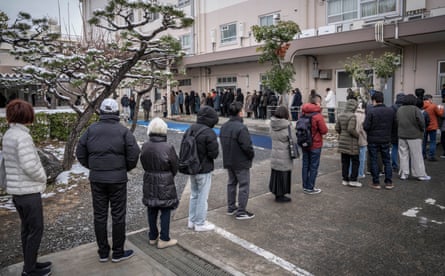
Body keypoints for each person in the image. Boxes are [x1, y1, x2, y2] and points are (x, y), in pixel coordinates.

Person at [76, 98, 141, 263]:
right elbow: (134, 153)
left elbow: (80, 151)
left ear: (102, 112)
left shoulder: (91, 130)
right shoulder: (123, 131)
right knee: (118, 215)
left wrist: (92, 166)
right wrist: (124, 168)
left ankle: (103, 252)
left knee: (100, 215)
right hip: (117, 179)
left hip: (97, 178)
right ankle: (118, 252)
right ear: (116, 112)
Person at [3, 100, 52, 276]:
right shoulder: (22, 136)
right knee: (36, 229)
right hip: (28, 191)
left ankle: (30, 263)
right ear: (26, 115)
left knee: (27, 229)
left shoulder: (9, 134)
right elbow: (29, 165)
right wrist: (42, 176)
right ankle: (29, 269)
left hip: (18, 192)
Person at [140, 118, 179, 249]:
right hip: (165, 181)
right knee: (165, 209)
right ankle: (164, 238)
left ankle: (152, 236)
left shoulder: (145, 146)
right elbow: (175, 165)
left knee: (151, 209)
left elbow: (143, 163)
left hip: (149, 179)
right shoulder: (168, 147)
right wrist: (169, 175)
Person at [220, 101, 255, 220]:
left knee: (231, 183)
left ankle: (231, 207)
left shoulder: (224, 126)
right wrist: (251, 156)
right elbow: (247, 147)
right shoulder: (241, 128)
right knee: (244, 185)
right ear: (240, 113)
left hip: (229, 160)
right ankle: (241, 211)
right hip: (241, 161)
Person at [186, 106, 219, 231]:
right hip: (204, 168)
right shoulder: (209, 132)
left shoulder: (190, 129)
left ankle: (191, 220)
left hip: (191, 167)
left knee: (194, 194)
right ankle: (200, 223)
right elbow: (214, 154)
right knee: (202, 196)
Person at [363, 91, 396, 190]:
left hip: (373, 140)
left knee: (373, 160)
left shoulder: (371, 111)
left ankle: (376, 182)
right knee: (387, 160)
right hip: (386, 139)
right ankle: (388, 182)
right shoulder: (390, 111)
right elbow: (395, 126)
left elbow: (366, 126)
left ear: (374, 100)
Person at [397, 94, 431, 181]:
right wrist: (421, 130)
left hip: (402, 135)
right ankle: (419, 174)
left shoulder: (400, 109)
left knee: (403, 155)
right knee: (416, 155)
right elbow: (421, 122)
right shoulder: (415, 109)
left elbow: (397, 121)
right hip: (414, 135)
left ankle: (404, 174)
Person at [301, 94, 328, 194]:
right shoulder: (317, 115)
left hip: (304, 143)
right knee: (313, 166)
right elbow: (324, 130)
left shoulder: (302, 113)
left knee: (305, 165)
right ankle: (310, 187)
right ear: (317, 102)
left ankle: (305, 186)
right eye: (320, 102)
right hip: (315, 144)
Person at [269, 106, 297, 202]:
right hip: (284, 155)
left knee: (276, 174)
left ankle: (277, 194)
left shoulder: (272, 124)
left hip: (275, 154)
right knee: (283, 175)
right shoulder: (288, 126)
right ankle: (281, 196)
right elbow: (294, 140)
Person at [335, 98, 361, 187]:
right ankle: (353, 180)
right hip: (352, 143)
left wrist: (342, 134)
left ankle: (345, 179)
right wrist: (358, 136)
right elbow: (351, 129)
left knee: (345, 161)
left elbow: (337, 128)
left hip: (342, 141)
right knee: (355, 161)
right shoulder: (352, 116)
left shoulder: (340, 115)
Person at [422, 94, 444, 161]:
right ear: (429, 99)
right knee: (432, 142)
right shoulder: (433, 106)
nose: (432, 100)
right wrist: (441, 108)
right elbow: (440, 114)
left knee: (424, 142)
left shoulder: (421, 106)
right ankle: (431, 156)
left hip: (424, 126)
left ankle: (423, 155)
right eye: (431, 99)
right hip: (432, 126)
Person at [390, 93, 405, 171]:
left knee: (394, 148)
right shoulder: (406, 107)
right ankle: (403, 166)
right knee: (404, 149)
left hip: (393, 130)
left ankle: (394, 165)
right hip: (404, 130)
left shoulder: (392, 107)